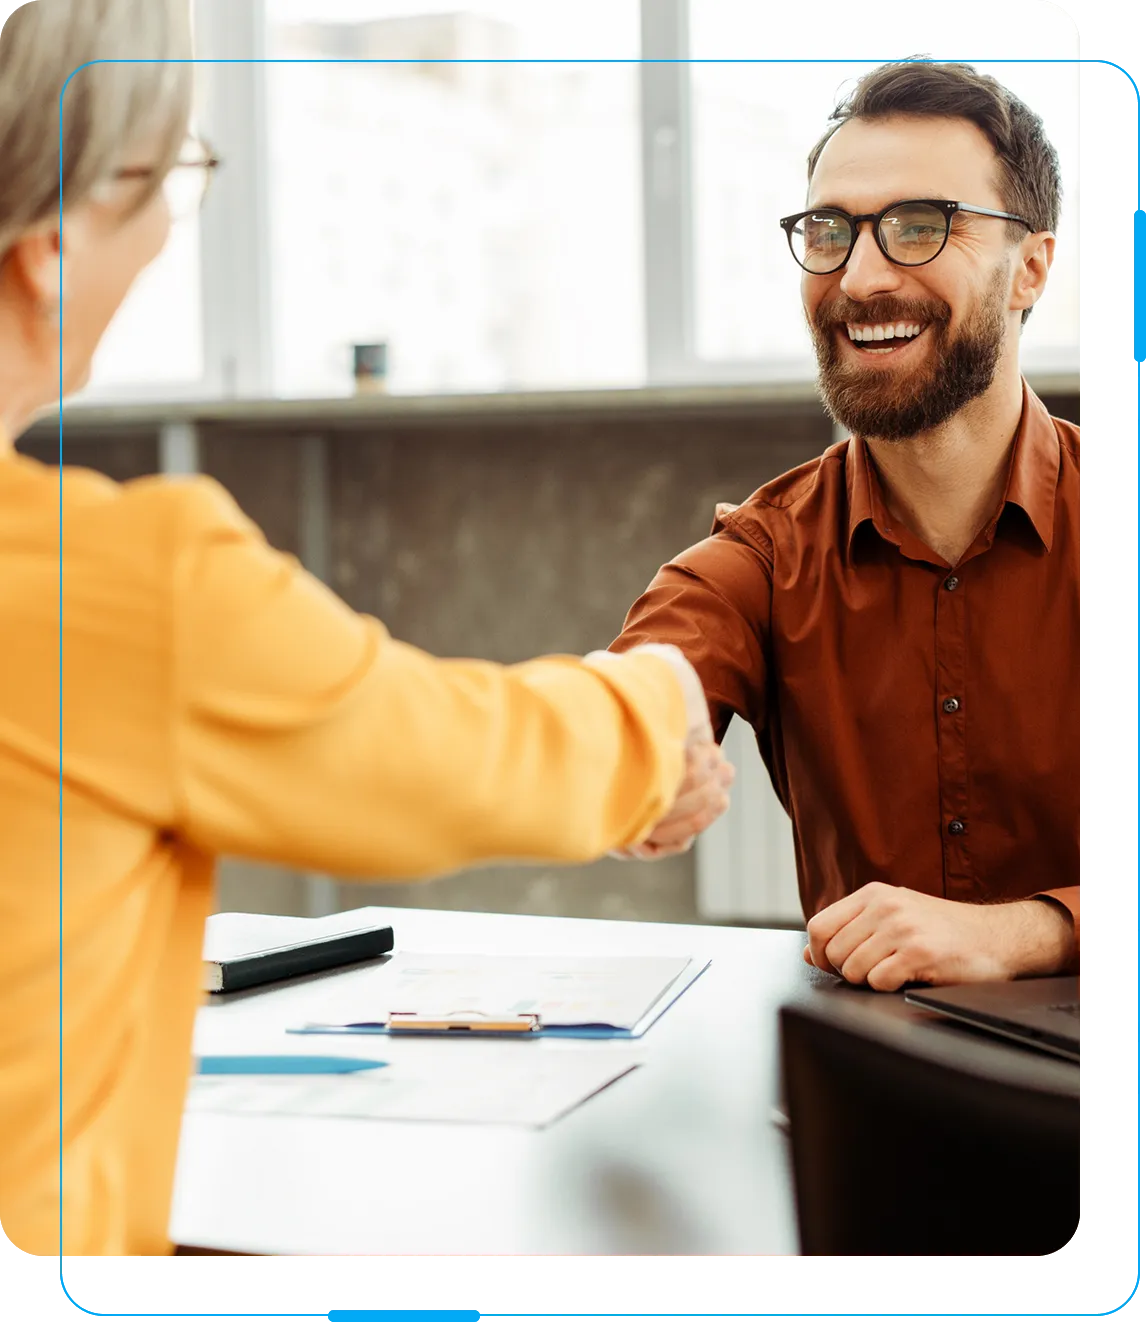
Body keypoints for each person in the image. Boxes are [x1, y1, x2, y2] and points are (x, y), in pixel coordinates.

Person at [0, 0, 734, 1256]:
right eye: (170, 175)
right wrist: (660, 705)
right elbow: (432, 751)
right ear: (56, 239)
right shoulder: (108, 581)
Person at [612, 60, 1080, 992]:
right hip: (875, 1091)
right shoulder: (765, 551)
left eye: (919, 227)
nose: (859, 277)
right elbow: (639, 689)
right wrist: (622, 759)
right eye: (830, 231)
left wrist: (1031, 935)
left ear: (1029, 267)